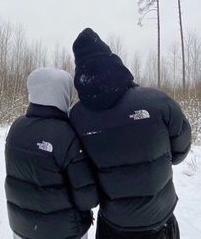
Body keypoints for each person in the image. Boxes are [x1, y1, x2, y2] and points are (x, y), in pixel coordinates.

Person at [70, 28, 192, 239]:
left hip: (113, 225)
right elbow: (180, 151)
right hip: (160, 223)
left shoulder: (76, 117)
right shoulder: (157, 102)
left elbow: (79, 171)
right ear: (114, 62)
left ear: (81, 74)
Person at [5, 67, 99, 239]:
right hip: (63, 232)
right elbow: (87, 198)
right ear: (63, 92)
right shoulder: (66, 133)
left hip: (21, 228)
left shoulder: (16, 127)